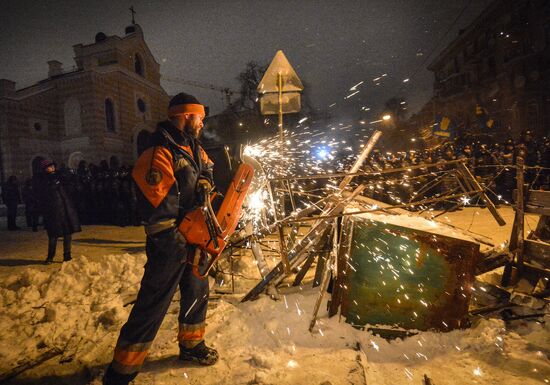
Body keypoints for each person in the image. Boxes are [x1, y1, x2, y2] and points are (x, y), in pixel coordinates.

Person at [103, 93, 217, 385]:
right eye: (199, 117)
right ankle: (122, 370)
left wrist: (204, 181)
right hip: (169, 242)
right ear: (184, 116)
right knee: (153, 302)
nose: (202, 122)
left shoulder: (191, 145)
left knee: (197, 291)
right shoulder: (159, 151)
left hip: (194, 235)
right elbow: (158, 210)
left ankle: (192, 345)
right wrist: (176, 244)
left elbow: (207, 167)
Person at [34, 159, 81, 264]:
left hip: (65, 210)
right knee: (53, 235)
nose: (52, 168)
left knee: (67, 234)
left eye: (52, 166)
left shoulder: (60, 176)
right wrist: (53, 185)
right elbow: (42, 194)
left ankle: (67, 256)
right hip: (52, 212)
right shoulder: (42, 179)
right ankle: (50, 257)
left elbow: (69, 190)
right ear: (45, 169)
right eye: (49, 167)